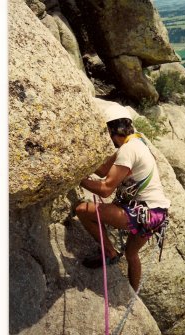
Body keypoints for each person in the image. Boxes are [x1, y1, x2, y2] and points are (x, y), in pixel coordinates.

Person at [75, 101, 170, 292]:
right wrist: (86, 162)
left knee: (82, 210)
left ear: (111, 131)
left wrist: (78, 179)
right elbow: (103, 170)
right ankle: (134, 296)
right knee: (131, 253)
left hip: (143, 213)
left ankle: (109, 252)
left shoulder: (128, 150)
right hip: (157, 215)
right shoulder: (137, 143)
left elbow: (105, 189)